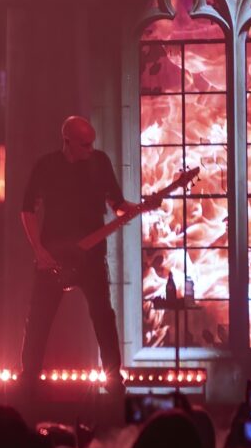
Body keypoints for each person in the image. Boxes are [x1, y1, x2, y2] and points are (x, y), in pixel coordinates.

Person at [16, 115, 160, 399]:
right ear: (67, 141)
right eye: (84, 144)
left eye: (92, 143)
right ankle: (28, 380)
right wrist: (39, 250)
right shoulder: (47, 166)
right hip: (54, 255)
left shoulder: (100, 162)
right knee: (39, 319)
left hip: (92, 256)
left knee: (104, 316)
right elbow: (27, 209)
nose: (90, 149)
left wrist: (142, 207)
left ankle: (114, 380)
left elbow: (118, 205)